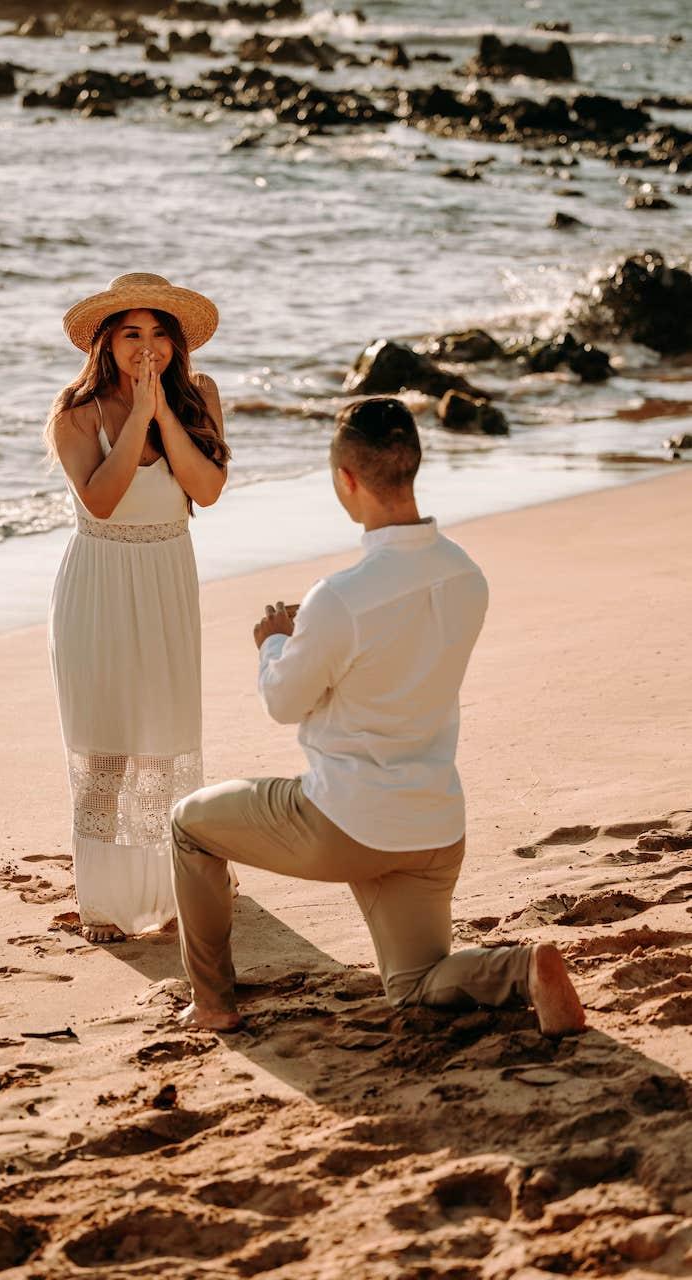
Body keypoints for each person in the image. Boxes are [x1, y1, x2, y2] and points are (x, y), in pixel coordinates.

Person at [171, 396, 586, 1036]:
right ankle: (522, 970)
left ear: (346, 479)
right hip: (433, 826)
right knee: (415, 985)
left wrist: (275, 643)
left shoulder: (340, 597)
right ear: (413, 466)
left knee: (189, 824)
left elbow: (283, 702)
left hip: (346, 823)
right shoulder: (465, 576)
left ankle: (213, 1004)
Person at [46, 273, 230, 943]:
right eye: (131, 334)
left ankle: (171, 882)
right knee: (109, 747)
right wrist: (136, 420)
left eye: (159, 334)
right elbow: (102, 498)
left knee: (166, 735)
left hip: (166, 575)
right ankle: (103, 899)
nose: (146, 346)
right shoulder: (76, 412)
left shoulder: (200, 396)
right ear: (106, 343)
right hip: (99, 583)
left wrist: (163, 414)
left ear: (178, 345)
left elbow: (205, 490)